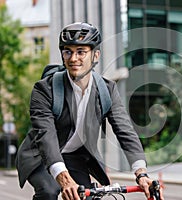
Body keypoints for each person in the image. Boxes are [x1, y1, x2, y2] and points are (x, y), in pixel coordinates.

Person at [16, 22, 164, 200]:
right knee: (50, 191)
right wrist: (64, 179)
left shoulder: (107, 90)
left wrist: (141, 173)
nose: (73, 58)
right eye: (67, 51)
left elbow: (125, 130)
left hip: (75, 156)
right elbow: (46, 136)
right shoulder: (44, 89)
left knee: (86, 196)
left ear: (95, 55)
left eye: (81, 52)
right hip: (41, 155)